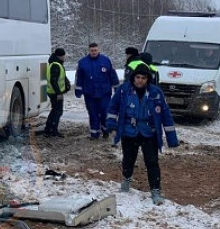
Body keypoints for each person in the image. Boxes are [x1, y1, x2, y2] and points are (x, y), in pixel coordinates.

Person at [105, 63, 178, 205]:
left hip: (148, 132)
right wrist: (111, 125)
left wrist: (172, 139)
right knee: (128, 159)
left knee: (152, 162)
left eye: (143, 78)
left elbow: (166, 115)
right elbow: (112, 108)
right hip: (129, 131)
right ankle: (126, 180)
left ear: (147, 79)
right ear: (133, 78)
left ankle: (156, 191)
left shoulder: (156, 93)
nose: (140, 80)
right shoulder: (123, 90)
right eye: (137, 77)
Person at [75, 43, 119, 140]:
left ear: (98, 50)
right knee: (93, 113)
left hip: (104, 93)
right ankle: (94, 134)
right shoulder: (83, 62)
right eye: (92, 50)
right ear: (89, 51)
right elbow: (79, 77)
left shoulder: (106, 60)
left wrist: (116, 87)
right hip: (90, 94)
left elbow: (112, 74)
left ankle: (106, 130)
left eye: (95, 50)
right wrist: (78, 90)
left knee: (105, 112)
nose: (94, 52)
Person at [39, 48, 68, 137]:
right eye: (64, 56)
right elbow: (53, 80)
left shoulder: (53, 64)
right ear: (61, 56)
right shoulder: (56, 65)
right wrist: (59, 92)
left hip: (52, 91)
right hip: (55, 93)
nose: (64, 57)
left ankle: (49, 129)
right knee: (57, 111)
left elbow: (59, 78)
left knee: (55, 110)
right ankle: (52, 129)